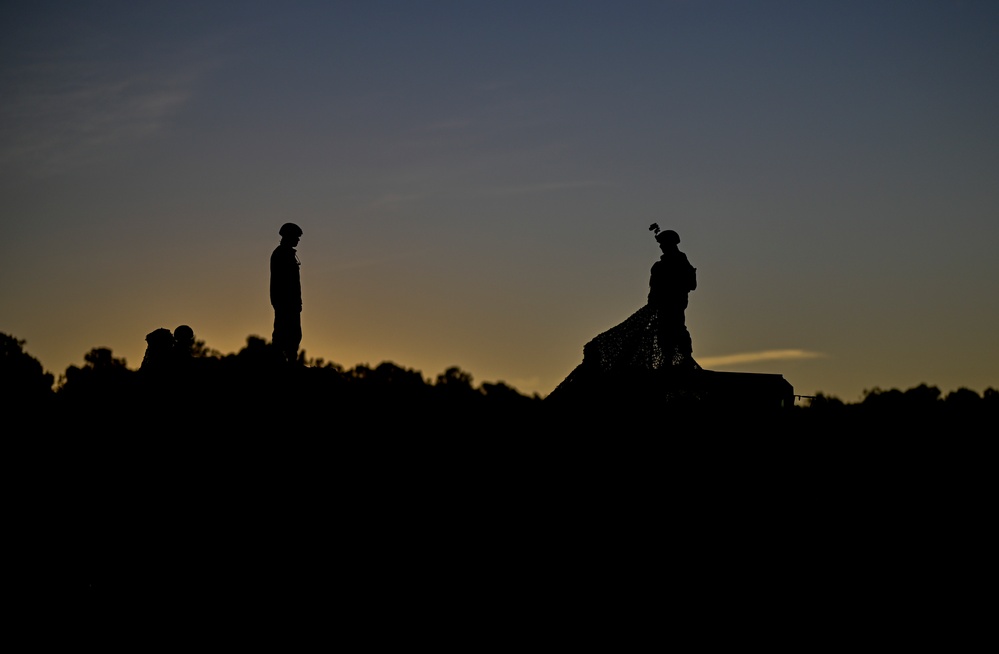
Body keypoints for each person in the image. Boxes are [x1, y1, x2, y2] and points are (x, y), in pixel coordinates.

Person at [271, 222, 303, 363]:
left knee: (293, 334)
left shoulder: (286, 254)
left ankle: (289, 361)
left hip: (290, 303)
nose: (298, 240)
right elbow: (284, 282)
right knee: (283, 333)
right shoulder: (282, 254)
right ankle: (280, 363)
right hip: (285, 303)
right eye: (296, 236)